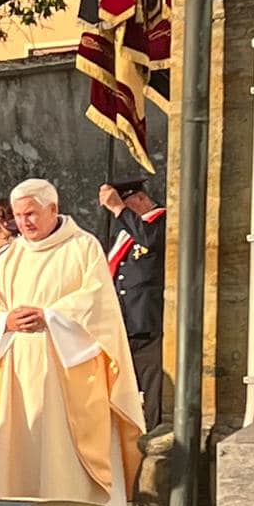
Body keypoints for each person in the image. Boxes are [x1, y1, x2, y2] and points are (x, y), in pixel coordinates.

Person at [0, 177, 144, 506]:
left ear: (53, 209)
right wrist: (4, 321)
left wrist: (50, 317)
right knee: (21, 462)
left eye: (32, 214)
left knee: (65, 465)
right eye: (19, 216)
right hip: (19, 379)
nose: (24, 222)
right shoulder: (9, 257)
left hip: (70, 377)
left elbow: (98, 304)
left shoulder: (83, 247)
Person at [100, 178, 167, 428]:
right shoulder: (127, 234)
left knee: (152, 394)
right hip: (124, 324)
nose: (121, 214)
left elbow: (151, 240)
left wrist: (120, 210)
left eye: (126, 205)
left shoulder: (161, 221)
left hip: (148, 323)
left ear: (140, 198)